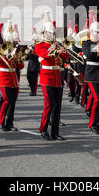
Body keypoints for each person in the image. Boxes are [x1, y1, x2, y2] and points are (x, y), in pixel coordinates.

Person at [34, 11, 69, 140]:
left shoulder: (57, 44)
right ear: (44, 32)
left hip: (57, 77)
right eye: (50, 33)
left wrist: (63, 49)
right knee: (50, 104)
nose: (52, 35)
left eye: (53, 33)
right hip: (46, 77)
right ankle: (43, 128)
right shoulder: (40, 45)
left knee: (58, 105)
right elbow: (44, 54)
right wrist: (55, 49)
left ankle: (55, 132)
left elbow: (65, 57)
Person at [0, 21, 24, 132]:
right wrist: (10, 55)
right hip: (4, 78)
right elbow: (1, 62)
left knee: (12, 102)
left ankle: (9, 123)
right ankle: (1, 121)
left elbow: (20, 66)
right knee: (7, 100)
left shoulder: (14, 50)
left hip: (13, 78)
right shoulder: (2, 50)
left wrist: (19, 57)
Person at [26, 27, 40, 96]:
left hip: (35, 64)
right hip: (30, 64)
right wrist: (27, 53)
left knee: (34, 79)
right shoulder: (31, 46)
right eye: (33, 40)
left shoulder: (38, 46)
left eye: (35, 40)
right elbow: (27, 57)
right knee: (28, 77)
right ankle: (32, 89)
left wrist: (32, 51)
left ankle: (33, 91)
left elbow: (38, 55)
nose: (34, 41)